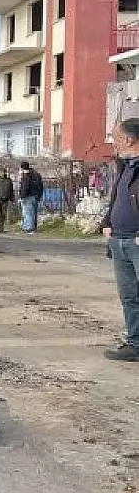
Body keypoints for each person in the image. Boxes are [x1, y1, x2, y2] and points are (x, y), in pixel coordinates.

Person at [100, 119, 139, 362]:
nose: (114, 144)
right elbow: (117, 198)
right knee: (129, 296)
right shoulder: (125, 167)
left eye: (116, 138)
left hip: (136, 242)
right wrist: (107, 223)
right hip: (119, 240)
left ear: (130, 140)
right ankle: (135, 344)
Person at [18, 161, 44, 233]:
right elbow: (41, 186)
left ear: (22, 168)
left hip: (28, 196)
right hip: (36, 196)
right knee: (34, 213)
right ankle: (33, 227)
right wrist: (40, 195)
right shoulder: (37, 174)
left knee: (27, 213)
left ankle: (28, 228)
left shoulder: (26, 175)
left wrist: (21, 197)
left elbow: (25, 187)